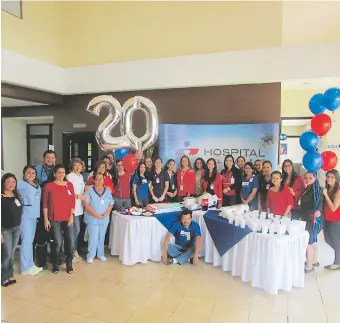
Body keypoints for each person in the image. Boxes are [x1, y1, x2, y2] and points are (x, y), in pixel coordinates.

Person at [43, 164, 75, 274]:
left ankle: (69, 264)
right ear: (54, 173)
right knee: (57, 242)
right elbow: (45, 204)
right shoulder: (49, 186)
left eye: (63, 172)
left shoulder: (69, 185)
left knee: (70, 241)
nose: (61, 174)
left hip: (68, 218)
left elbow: (72, 202)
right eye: (59, 172)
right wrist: (46, 219)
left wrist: (71, 216)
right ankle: (55, 264)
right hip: (54, 218)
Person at [17, 166, 43, 276]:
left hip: (34, 216)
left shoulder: (37, 185)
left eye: (33, 173)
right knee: (26, 242)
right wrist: (17, 196)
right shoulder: (20, 184)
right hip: (25, 216)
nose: (31, 174)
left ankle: (30, 264)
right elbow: (8, 188)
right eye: (28, 172)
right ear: (24, 174)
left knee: (30, 241)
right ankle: (25, 268)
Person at [294, 172, 323, 273]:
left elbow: (320, 202)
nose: (307, 179)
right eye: (306, 178)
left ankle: (309, 266)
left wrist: (318, 211)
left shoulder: (317, 190)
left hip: (311, 218)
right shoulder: (308, 189)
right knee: (311, 240)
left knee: (308, 241)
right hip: (306, 217)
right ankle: (313, 260)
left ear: (315, 178)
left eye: (310, 178)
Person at [83, 172, 114, 264]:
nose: (99, 181)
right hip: (93, 218)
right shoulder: (89, 190)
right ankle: (91, 255)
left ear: (104, 180)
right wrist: (96, 215)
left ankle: (100, 254)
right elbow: (86, 205)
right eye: (97, 179)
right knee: (93, 237)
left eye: (101, 179)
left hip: (104, 218)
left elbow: (111, 204)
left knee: (101, 236)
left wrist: (106, 214)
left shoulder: (107, 191)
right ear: (94, 180)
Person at [35, 150, 56, 268]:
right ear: (43, 158)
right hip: (40, 204)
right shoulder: (37, 169)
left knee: (54, 233)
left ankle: (54, 258)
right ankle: (41, 261)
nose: (50, 159)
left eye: (52, 158)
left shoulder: (57, 169)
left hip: (53, 205)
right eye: (48, 157)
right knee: (42, 232)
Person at [1, 173, 23, 287]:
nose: (11, 184)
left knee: (11, 253)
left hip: (16, 228)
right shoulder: (1, 196)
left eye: (13, 182)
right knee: (6, 254)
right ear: (3, 182)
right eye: (8, 182)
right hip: (5, 230)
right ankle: (3, 277)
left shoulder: (16, 195)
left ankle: (10, 275)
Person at [66, 158, 86, 261]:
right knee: (75, 231)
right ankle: (72, 252)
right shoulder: (69, 176)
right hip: (72, 209)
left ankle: (74, 251)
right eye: (76, 165)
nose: (78, 167)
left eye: (80, 165)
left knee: (77, 231)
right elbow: (67, 193)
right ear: (72, 166)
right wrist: (79, 197)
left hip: (80, 208)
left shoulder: (81, 176)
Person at [322, 169, 340, 271]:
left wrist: (326, 195)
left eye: (332, 177)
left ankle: (337, 262)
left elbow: (334, 208)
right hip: (327, 218)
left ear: (336, 179)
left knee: (335, 240)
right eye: (328, 176)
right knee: (327, 239)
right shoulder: (328, 189)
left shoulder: (338, 190)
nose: (329, 179)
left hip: (336, 220)